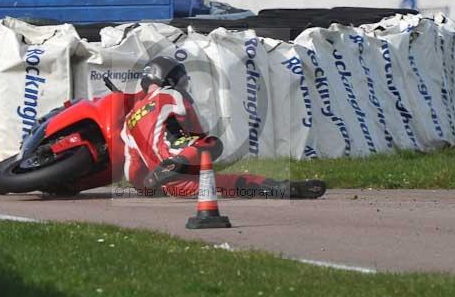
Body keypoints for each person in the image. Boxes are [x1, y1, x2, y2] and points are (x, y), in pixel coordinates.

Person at [121, 56, 326, 199]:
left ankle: (279, 188)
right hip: (178, 157)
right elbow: (199, 131)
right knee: (212, 144)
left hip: (173, 186)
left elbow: (133, 172)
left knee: (224, 184)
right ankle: (275, 188)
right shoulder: (170, 94)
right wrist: (186, 155)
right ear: (167, 79)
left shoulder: (128, 121)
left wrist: (149, 187)